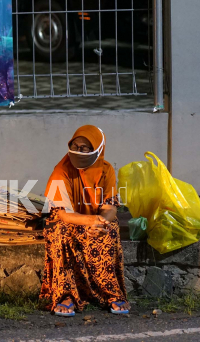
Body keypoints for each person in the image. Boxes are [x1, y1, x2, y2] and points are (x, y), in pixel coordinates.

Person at [40, 125, 130, 317]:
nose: (77, 151)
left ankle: (111, 294)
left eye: (84, 148)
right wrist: (91, 220)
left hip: (95, 221)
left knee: (111, 229)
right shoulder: (61, 171)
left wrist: (101, 223)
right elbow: (63, 213)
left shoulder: (106, 170)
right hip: (68, 219)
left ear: (98, 149)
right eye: (74, 146)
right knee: (61, 230)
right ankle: (66, 296)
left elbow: (110, 207)